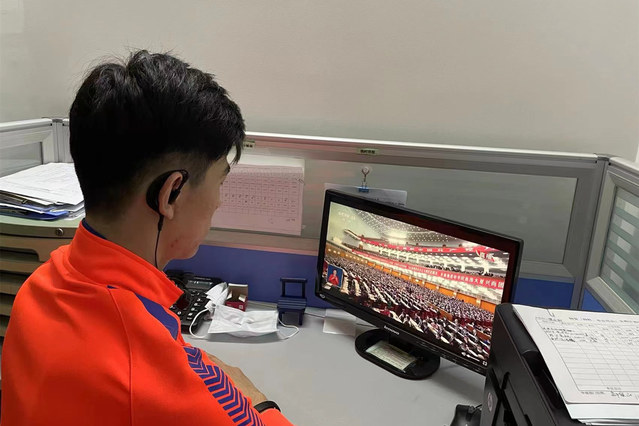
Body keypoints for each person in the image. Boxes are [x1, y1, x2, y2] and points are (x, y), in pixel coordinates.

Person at [1, 50, 294, 426]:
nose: (219, 201)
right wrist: (259, 400)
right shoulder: (153, 385)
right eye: (220, 181)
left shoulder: (38, 288)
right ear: (170, 194)